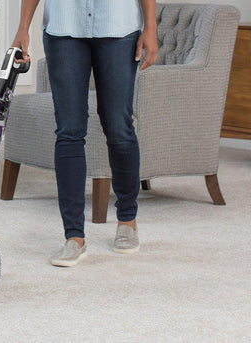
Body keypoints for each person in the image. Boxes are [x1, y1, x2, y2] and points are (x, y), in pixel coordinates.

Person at [10, 0, 158, 267]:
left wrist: (150, 28)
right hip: (64, 29)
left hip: (119, 29)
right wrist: (23, 27)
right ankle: (74, 237)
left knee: (118, 127)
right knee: (69, 131)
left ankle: (127, 219)